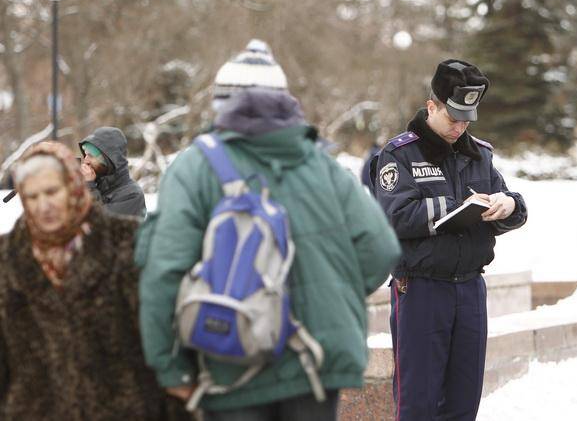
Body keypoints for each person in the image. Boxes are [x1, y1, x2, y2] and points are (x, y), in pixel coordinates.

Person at [136, 82, 401, 419]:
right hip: (316, 360)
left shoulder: (196, 166)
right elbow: (381, 249)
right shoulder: (325, 166)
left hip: (229, 353)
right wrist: (333, 294)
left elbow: (164, 268)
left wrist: (169, 365)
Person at [374, 59, 528, 421]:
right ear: (432, 107)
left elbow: (510, 205)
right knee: (419, 403)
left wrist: (508, 205)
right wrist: (453, 208)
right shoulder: (399, 155)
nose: (460, 127)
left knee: (463, 402)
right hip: (422, 289)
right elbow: (393, 216)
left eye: (466, 120)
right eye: (453, 118)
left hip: (470, 288)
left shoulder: (479, 154)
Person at [0, 141, 189, 420]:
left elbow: (161, 335)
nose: (44, 205)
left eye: (52, 192)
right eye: (33, 196)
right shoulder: (8, 260)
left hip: (123, 408)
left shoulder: (126, 242)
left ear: (73, 187)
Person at [79, 126, 146, 217]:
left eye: (91, 155)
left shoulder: (132, 195)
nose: (85, 161)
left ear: (108, 159)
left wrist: (89, 187)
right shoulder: (97, 184)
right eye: (85, 155)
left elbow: (99, 222)